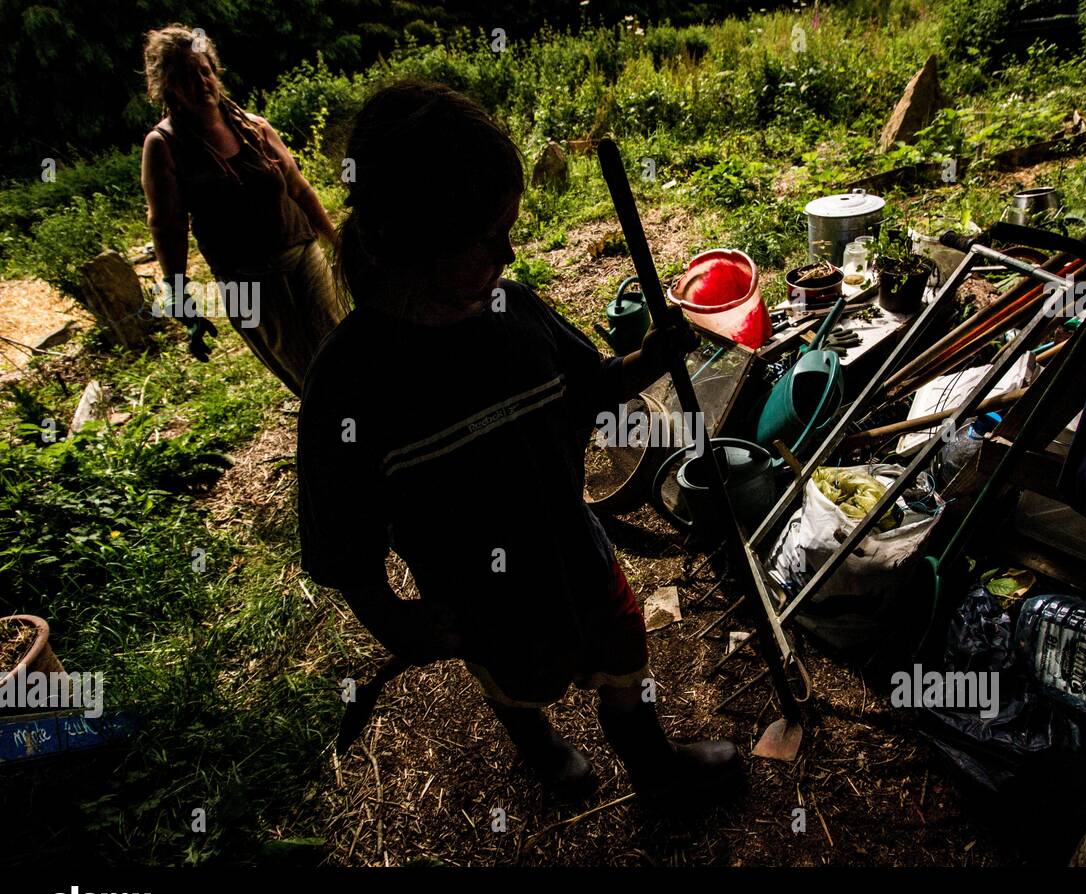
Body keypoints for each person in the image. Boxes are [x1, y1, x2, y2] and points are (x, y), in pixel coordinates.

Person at [296, 79, 744, 809]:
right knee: (514, 680)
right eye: (487, 235)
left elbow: (591, 385)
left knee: (624, 651)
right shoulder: (349, 386)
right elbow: (341, 543)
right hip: (482, 598)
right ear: (412, 238)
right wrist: (394, 618)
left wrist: (650, 360)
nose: (508, 251)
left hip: (577, 551)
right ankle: (536, 744)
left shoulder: (514, 314)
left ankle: (651, 762)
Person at [140, 24, 341, 396]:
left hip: (302, 254)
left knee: (344, 347)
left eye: (205, 70)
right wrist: (178, 293)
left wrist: (337, 243)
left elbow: (298, 187)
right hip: (245, 280)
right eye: (187, 76)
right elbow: (167, 226)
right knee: (308, 373)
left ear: (215, 72)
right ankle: (342, 441)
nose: (201, 82)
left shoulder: (254, 127)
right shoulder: (164, 146)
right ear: (168, 87)